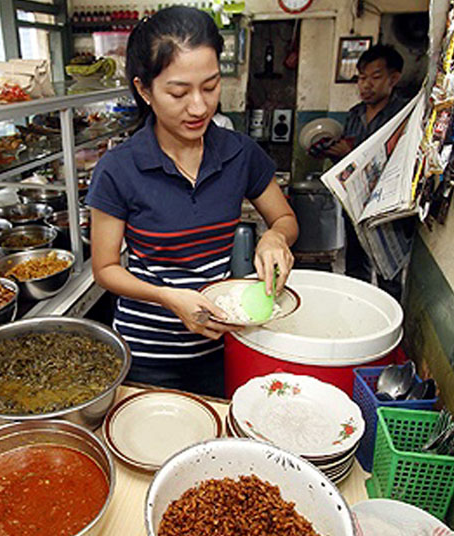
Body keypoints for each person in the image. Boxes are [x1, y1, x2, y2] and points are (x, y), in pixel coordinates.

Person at [85, 6, 298, 398]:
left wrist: (275, 238)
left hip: (223, 345)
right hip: (145, 357)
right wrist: (167, 297)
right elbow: (105, 268)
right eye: (179, 93)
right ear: (145, 90)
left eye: (211, 86)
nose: (199, 107)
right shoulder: (118, 168)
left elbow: (284, 217)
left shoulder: (239, 154)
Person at [324, 44, 408, 299]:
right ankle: (355, 310)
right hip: (356, 204)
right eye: (361, 78)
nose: (366, 85)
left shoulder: (403, 114)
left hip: (386, 208)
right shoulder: (355, 114)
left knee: (388, 270)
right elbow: (349, 150)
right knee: (355, 264)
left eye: (375, 77)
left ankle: (389, 319)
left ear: (394, 78)